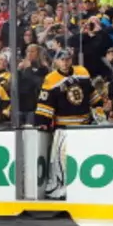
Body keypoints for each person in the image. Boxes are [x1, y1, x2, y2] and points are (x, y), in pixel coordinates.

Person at [35, 48, 102, 198]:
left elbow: (91, 94)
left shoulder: (82, 72)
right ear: (56, 62)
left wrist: (100, 105)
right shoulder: (51, 79)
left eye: (67, 59)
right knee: (60, 159)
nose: (65, 63)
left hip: (84, 125)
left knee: (83, 157)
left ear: (71, 59)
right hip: (64, 127)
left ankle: (81, 187)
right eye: (62, 60)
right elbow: (45, 103)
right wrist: (42, 121)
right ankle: (59, 188)